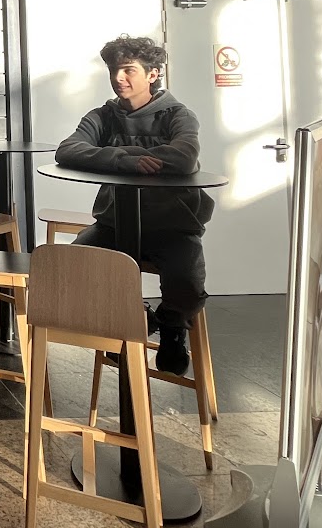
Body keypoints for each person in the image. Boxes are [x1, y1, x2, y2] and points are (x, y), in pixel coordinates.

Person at [55, 35, 214, 374]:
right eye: (114, 70)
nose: (118, 78)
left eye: (128, 70)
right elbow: (67, 150)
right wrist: (125, 160)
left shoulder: (178, 115)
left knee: (187, 281)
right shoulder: (103, 116)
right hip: (114, 223)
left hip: (172, 225)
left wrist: (107, 155)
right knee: (74, 267)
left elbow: (184, 158)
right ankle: (129, 320)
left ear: (153, 74)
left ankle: (170, 326)